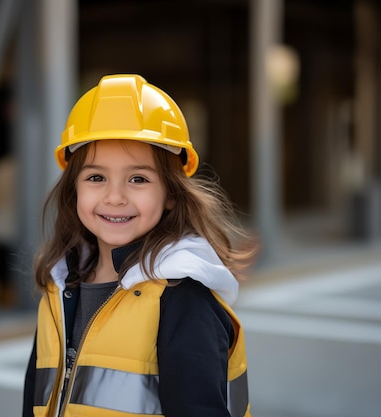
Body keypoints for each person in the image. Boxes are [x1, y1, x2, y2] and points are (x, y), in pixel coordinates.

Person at [22, 74, 256, 417]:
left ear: (172, 195)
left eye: (138, 179)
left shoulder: (183, 297)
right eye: (96, 177)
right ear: (74, 192)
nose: (115, 197)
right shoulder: (59, 286)